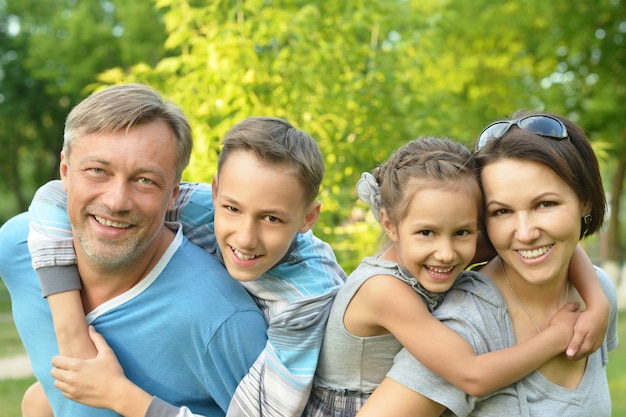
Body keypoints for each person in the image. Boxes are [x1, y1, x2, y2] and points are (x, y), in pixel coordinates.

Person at [25, 116, 347, 417]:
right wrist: (71, 332)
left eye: (271, 218)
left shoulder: (307, 298)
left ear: (308, 218)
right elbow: (53, 196)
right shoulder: (200, 207)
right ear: (216, 191)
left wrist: (120, 394)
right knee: (36, 401)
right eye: (232, 208)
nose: (246, 238)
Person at [0, 83, 268, 417]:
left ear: (173, 194)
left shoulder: (220, 318)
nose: (116, 201)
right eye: (98, 170)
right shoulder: (16, 247)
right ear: (65, 172)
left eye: (145, 180)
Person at [302, 136, 609, 417]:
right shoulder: (384, 289)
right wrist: (556, 337)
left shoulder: (440, 252)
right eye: (426, 232)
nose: (447, 253)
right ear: (390, 224)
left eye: (463, 232)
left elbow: (554, 247)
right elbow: (473, 376)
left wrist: (597, 304)